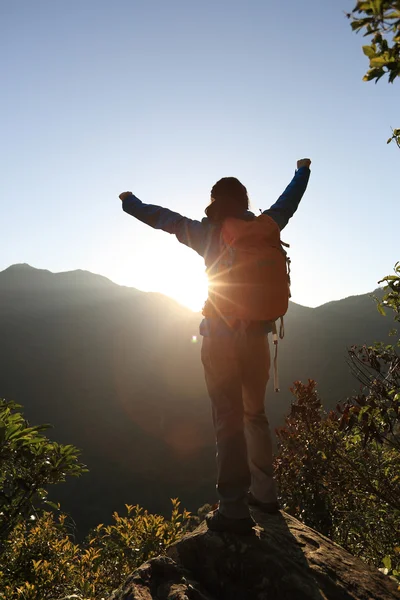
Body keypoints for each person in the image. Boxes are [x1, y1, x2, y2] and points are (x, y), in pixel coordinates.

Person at [119, 158, 311, 534]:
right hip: (258, 338)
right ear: (244, 201)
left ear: (213, 202)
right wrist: (302, 171)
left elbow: (164, 218)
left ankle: (233, 508)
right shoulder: (268, 225)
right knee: (254, 416)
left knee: (227, 419)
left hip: (219, 339)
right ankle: (266, 496)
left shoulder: (204, 233)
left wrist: (130, 202)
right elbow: (290, 200)